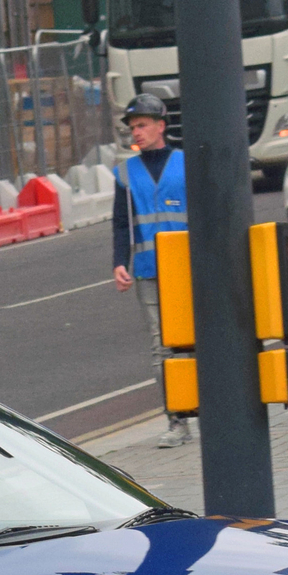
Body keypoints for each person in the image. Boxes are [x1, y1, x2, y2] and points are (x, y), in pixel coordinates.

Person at [107, 93, 194, 449]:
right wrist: (119, 262)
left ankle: (208, 413)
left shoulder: (188, 164)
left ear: (161, 126)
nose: (137, 132)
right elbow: (119, 224)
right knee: (163, 350)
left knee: (193, 346)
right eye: (133, 127)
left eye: (142, 125)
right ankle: (177, 421)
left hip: (189, 269)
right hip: (148, 271)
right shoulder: (126, 172)